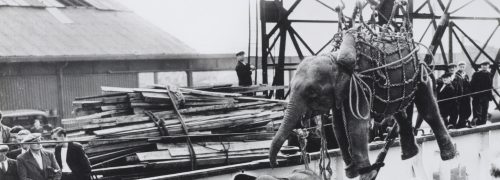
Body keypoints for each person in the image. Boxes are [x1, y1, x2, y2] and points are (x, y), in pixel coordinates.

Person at [471, 61, 493, 126]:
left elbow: (490, 86)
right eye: (483, 65)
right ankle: (477, 124)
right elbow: (472, 84)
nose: (484, 66)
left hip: (485, 96)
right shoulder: (476, 74)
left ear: (488, 66)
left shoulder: (490, 74)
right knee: (477, 111)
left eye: (486, 65)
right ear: (481, 66)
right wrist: (473, 94)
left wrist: (490, 96)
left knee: (485, 111)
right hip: (477, 96)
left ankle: (483, 124)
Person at [456, 61, 472, 128]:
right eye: (461, 66)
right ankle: (461, 123)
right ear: (458, 67)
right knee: (461, 110)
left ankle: (464, 122)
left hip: (466, 95)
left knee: (468, 110)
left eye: (463, 67)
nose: (462, 68)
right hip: (460, 95)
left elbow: (468, 85)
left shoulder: (466, 75)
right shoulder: (456, 75)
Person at [447, 63, 460, 129]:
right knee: (444, 114)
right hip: (446, 100)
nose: (452, 69)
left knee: (454, 115)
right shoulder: (444, 76)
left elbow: (461, 89)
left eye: (453, 68)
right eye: (450, 68)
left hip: (455, 100)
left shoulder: (458, 77)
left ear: (456, 69)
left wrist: (459, 99)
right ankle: (446, 126)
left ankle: (452, 127)